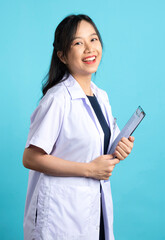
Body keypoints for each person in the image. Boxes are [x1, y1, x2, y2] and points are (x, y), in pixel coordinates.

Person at [22, 14, 135, 240]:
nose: (89, 49)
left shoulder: (101, 96)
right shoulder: (57, 99)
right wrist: (89, 170)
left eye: (93, 39)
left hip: (93, 210)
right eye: (78, 43)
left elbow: (100, 149)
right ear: (62, 55)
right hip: (60, 216)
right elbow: (30, 158)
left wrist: (121, 148)